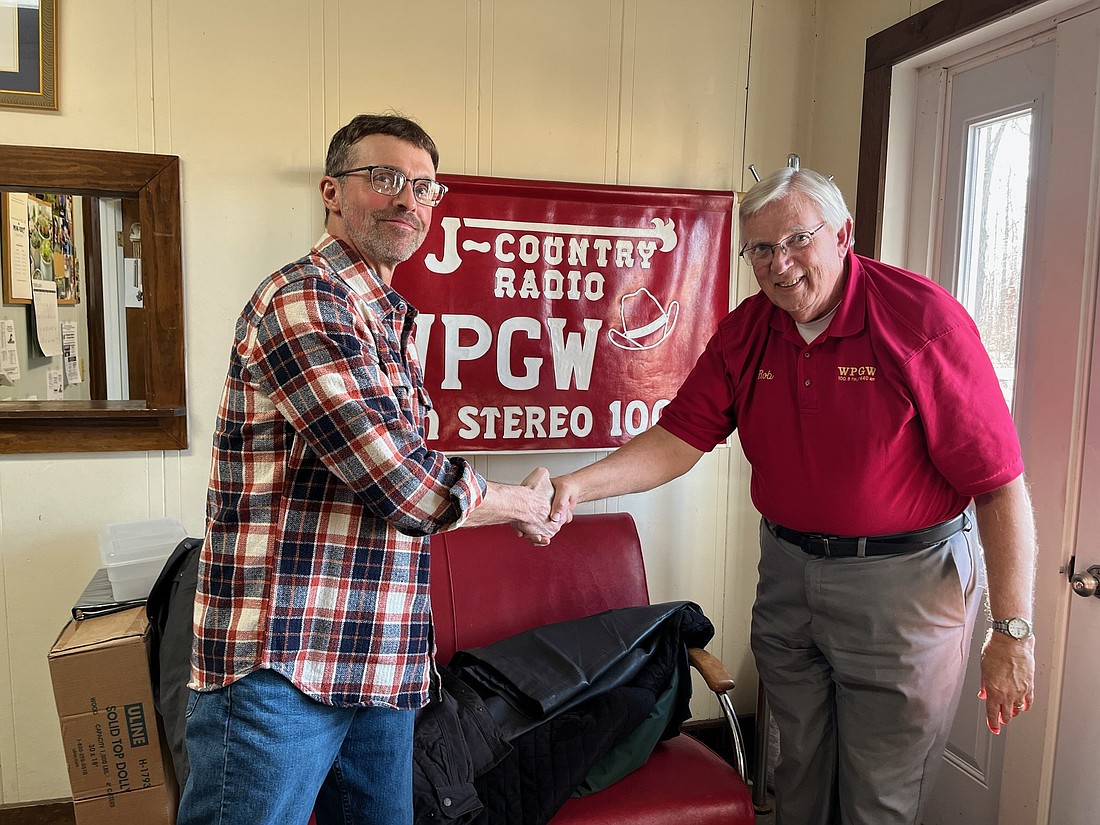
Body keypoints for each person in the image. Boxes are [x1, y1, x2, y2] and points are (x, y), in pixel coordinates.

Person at [549, 166, 1036, 825]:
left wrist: (1011, 629)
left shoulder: (921, 321)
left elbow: (1000, 488)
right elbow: (678, 438)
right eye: (760, 250)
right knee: (793, 775)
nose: (780, 266)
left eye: (797, 240)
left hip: (904, 584)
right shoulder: (749, 330)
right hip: (788, 573)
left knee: (879, 797)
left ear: (843, 235)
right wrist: (573, 486)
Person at [178, 114, 561, 825]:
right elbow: (403, 484)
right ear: (331, 190)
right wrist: (521, 503)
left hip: (379, 659)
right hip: (284, 665)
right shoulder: (304, 300)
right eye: (385, 179)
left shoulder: (384, 318)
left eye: (423, 187)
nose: (408, 201)